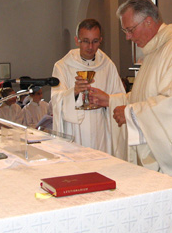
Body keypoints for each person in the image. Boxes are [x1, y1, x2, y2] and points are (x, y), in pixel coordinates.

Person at [89, 0, 172, 232]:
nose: (128, 37)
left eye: (130, 30)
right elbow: (143, 97)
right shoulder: (154, 53)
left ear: (148, 22)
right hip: (155, 159)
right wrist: (111, 101)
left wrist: (130, 113)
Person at [51, 18, 127, 159]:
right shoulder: (62, 66)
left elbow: (121, 97)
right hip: (75, 130)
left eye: (95, 41)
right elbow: (55, 99)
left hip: (101, 129)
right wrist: (73, 93)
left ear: (101, 40)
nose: (90, 47)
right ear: (77, 40)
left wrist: (106, 99)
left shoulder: (108, 65)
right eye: (85, 41)